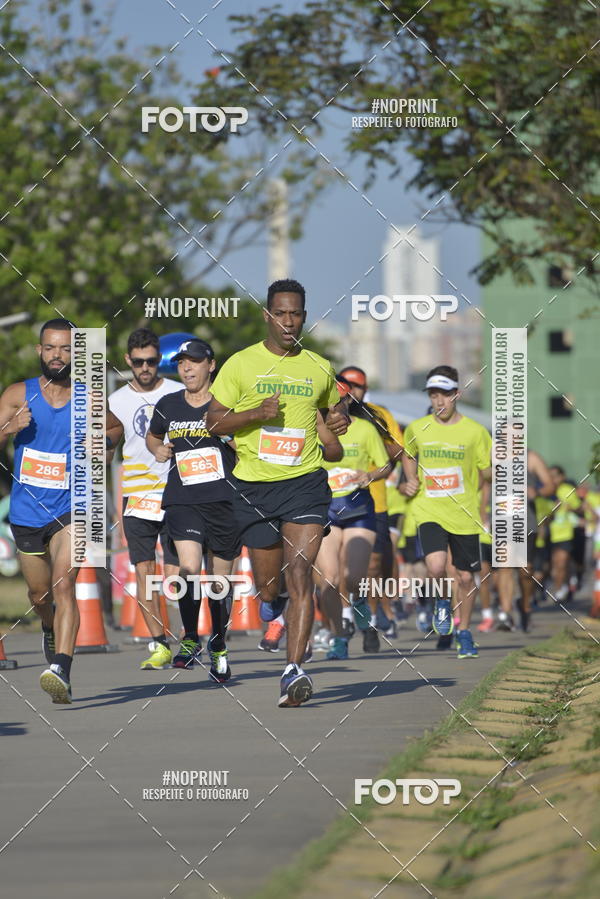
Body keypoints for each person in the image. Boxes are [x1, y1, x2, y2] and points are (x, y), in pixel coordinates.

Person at [205, 278, 348, 707]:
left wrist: (339, 418)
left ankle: (294, 671)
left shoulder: (319, 366)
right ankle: (273, 601)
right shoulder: (241, 364)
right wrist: (256, 414)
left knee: (301, 571)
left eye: (296, 314)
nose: (289, 322)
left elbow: (332, 408)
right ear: (268, 315)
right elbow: (213, 423)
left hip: (305, 483)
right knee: (270, 585)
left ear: (304, 316)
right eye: (281, 313)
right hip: (253, 488)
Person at [146, 338, 241, 682]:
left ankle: (218, 643)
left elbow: (248, 446)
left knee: (219, 583)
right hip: (182, 500)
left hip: (224, 502)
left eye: (194, 362)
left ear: (211, 365)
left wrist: (234, 440)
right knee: (187, 570)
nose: (186, 368)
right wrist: (157, 449)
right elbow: (153, 437)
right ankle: (190, 638)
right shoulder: (168, 404)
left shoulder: (227, 403)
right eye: (182, 362)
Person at [0, 319, 78, 703]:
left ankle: (60, 667)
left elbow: (114, 431)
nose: (58, 356)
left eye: (65, 348)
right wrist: (8, 428)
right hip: (27, 511)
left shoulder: (90, 398)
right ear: (39, 351)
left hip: (74, 509)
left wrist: (105, 444)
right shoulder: (17, 394)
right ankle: (48, 625)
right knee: (38, 594)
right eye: (51, 348)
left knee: (65, 585)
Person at [402, 366, 492, 658]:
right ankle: (442, 601)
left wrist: (506, 469)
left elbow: (486, 470)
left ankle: (464, 631)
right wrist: (411, 478)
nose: (439, 401)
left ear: (457, 394)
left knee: (466, 578)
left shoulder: (476, 432)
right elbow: (407, 453)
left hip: (464, 514)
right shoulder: (418, 427)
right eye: (433, 395)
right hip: (429, 509)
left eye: (444, 395)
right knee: (437, 567)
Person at [107, 329, 181, 669]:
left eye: (152, 361)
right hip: (137, 495)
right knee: (144, 570)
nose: (146, 368)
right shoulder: (117, 401)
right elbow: (107, 449)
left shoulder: (178, 391)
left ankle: (191, 635)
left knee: (181, 571)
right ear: (128, 361)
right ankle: (159, 643)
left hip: (178, 493)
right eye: (138, 362)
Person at [313, 377, 391, 660]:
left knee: (354, 578)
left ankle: (359, 606)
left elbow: (385, 463)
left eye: (338, 401)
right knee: (330, 579)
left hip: (359, 509)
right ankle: (338, 637)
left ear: (347, 402)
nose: (333, 408)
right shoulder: (314, 430)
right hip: (326, 511)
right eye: (327, 403)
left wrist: (369, 475)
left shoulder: (366, 429)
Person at [335, 366, 404, 649]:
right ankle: (346, 620)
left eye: (358, 385)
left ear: (365, 389)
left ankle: (377, 612)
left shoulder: (378, 416)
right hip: (332, 502)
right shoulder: (325, 417)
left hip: (373, 499)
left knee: (375, 566)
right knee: (337, 567)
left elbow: (399, 451)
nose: (352, 390)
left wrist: (374, 442)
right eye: (345, 384)